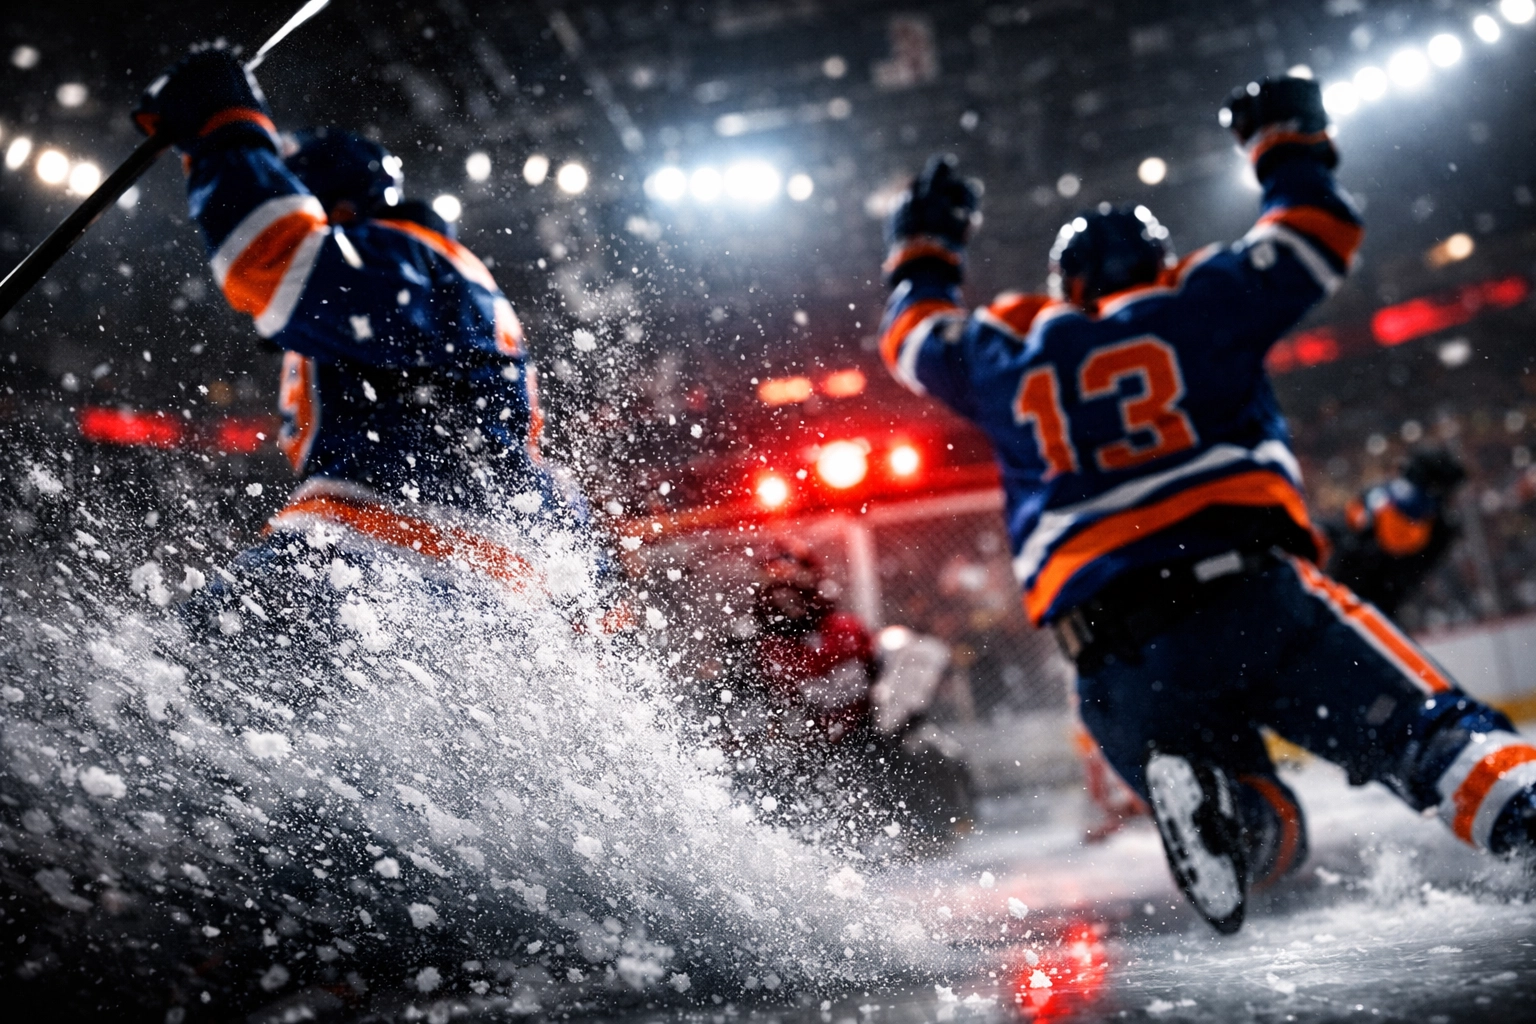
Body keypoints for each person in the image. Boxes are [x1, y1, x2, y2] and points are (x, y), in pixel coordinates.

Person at [875, 75, 1536, 932]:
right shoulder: (1197, 304)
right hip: (1252, 599)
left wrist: (924, 244)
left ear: (1064, 286)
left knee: (1260, 817)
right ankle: (1522, 817)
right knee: (1430, 737)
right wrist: (1282, 138)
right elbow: (1314, 231)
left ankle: (1237, 819)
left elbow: (911, 332)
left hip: (1111, 659)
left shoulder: (1010, 354)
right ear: (1161, 263)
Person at [131, 47, 615, 630]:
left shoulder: (392, 251)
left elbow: (271, 252)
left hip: (389, 543)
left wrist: (223, 124)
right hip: (470, 565)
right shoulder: (436, 274)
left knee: (166, 679)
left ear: (331, 203)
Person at [1327, 448, 1466, 619]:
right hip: (1354, 594)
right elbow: (1342, 527)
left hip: (1364, 597)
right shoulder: (1378, 495)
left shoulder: (1438, 526)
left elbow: (1405, 572)